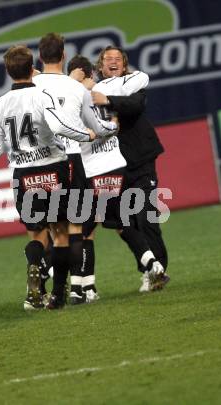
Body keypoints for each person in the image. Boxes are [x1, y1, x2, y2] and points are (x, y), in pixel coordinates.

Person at [0, 45, 99, 310]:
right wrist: (86, 135)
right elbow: (60, 126)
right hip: (52, 167)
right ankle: (58, 295)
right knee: (60, 233)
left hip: (22, 175)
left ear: (8, 71)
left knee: (37, 235)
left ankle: (35, 268)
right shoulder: (42, 96)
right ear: (31, 68)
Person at [68, 55, 168, 295]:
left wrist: (107, 101)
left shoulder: (126, 84)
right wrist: (110, 122)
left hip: (115, 167)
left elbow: (137, 93)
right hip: (115, 168)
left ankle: (79, 287)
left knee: (85, 229)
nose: (112, 63)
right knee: (122, 223)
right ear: (97, 69)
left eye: (117, 59)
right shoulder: (94, 91)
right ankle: (151, 267)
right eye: (107, 60)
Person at [33, 33, 118, 304]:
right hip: (71, 159)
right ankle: (77, 288)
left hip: (43, 162)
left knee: (52, 231)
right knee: (76, 226)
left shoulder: (32, 84)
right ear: (64, 55)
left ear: (40, 55)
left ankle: (48, 290)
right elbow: (95, 126)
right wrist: (113, 126)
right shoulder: (77, 89)